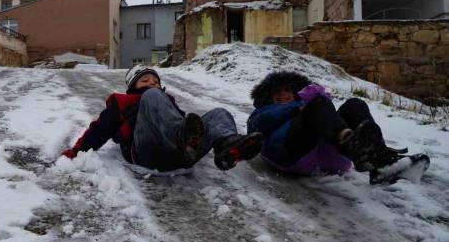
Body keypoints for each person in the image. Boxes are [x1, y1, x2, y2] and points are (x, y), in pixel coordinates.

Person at [61, 65, 264, 172]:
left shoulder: (165, 99)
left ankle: (227, 147)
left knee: (219, 113)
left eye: (156, 81)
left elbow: (189, 125)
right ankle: (181, 140)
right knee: (153, 98)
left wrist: (205, 133)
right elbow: (100, 129)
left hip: (182, 157)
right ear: (132, 86)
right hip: (147, 153)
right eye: (145, 80)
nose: (152, 83)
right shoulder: (123, 101)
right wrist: (77, 151)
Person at [246, 71, 408, 180]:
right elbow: (258, 124)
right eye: (277, 92)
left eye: (286, 90)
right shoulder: (263, 111)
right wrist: (299, 108)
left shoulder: (307, 106)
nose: (282, 94)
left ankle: (379, 159)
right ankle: (349, 141)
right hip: (289, 152)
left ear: (294, 92)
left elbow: (326, 116)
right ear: (268, 97)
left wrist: (312, 105)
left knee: (355, 104)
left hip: (327, 154)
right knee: (319, 103)